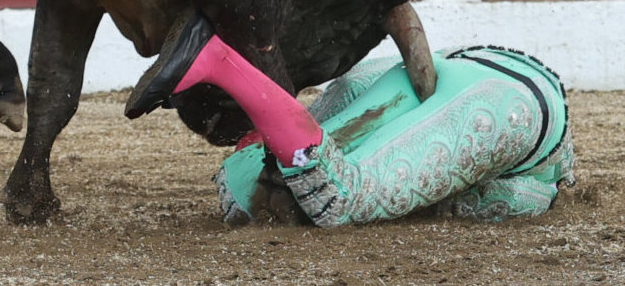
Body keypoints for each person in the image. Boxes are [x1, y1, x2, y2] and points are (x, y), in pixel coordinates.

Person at [127, 14, 575, 227]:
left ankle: (218, 67)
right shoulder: (539, 188)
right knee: (339, 199)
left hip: (450, 61)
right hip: (509, 106)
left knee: (242, 191)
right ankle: (217, 61)